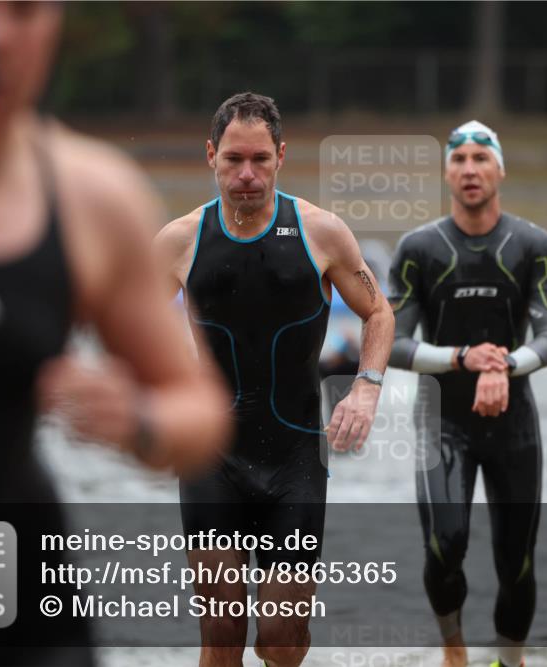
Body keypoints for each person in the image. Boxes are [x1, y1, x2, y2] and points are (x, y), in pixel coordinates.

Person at [0, 3, 231, 665]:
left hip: (18, 606)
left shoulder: (93, 195)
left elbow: (198, 410)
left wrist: (135, 419)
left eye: (23, 9)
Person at [153, 92, 394, 667]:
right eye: (233, 159)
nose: (246, 175)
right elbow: (128, 328)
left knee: (283, 640)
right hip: (212, 458)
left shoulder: (322, 233)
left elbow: (378, 313)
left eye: (260, 159)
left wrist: (366, 387)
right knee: (222, 635)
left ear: (281, 156)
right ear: (210, 154)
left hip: (294, 460)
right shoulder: (180, 241)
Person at [387, 121, 547, 667]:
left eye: (480, 159)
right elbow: (392, 344)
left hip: (513, 427)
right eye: (459, 159)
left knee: (517, 562)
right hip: (443, 422)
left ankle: (511, 659)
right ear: (446, 172)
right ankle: (455, 650)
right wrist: (463, 358)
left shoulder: (534, 245)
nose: (469, 169)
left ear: (500, 170)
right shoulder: (419, 248)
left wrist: (504, 365)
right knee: (446, 546)